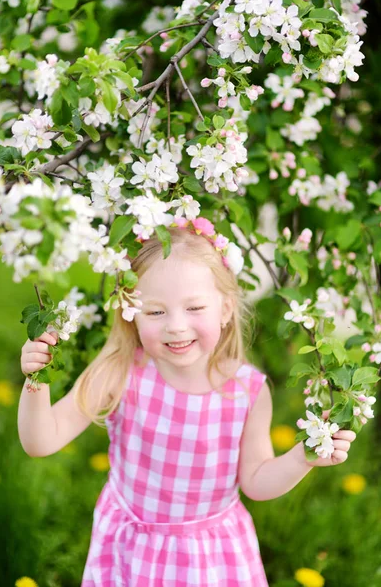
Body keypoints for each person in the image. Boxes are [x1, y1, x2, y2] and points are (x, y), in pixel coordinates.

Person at [18, 221, 356, 586]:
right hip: (131, 550)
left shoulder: (246, 391)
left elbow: (256, 482)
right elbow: (41, 442)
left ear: (226, 309)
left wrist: (304, 456)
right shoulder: (120, 371)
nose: (176, 327)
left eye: (194, 307)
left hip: (210, 559)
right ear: (131, 312)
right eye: (156, 312)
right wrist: (37, 378)